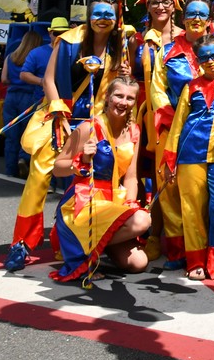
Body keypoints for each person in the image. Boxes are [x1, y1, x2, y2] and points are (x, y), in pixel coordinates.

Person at [5, 0, 129, 271]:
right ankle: (22, 244)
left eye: (109, 13)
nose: (103, 18)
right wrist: (59, 109)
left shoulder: (120, 46)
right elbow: (49, 78)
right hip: (61, 117)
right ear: (88, 16)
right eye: (98, 13)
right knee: (39, 177)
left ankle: (76, 240)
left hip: (96, 123)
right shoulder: (68, 41)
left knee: (90, 182)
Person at [49, 75, 150, 282]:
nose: (123, 102)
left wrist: (130, 204)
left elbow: (131, 177)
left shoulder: (134, 131)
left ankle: (94, 247)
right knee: (142, 221)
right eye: (118, 96)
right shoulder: (88, 128)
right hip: (83, 205)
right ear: (107, 96)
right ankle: (80, 252)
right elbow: (57, 168)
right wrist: (81, 161)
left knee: (138, 263)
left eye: (130, 98)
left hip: (113, 204)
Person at [163, 34, 214, 280]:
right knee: (192, 209)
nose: (211, 61)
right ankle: (195, 262)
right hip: (190, 153)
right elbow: (178, 124)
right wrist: (170, 158)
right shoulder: (190, 86)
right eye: (204, 58)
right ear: (197, 61)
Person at [133, 0, 183, 260]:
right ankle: (142, 231)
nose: (161, 7)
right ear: (148, 7)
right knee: (140, 173)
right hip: (143, 111)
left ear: (174, 5)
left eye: (166, 2)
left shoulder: (187, 37)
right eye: (155, 2)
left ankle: (165, 234)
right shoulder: (138, 39)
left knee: (167, 175)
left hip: (177, 113)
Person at [0, 28, 44, 178]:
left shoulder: (10, 57)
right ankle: (23, 158)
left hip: (11, 96)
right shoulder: (35, 57)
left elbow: (4, 79)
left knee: (11, 135)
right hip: (29, 97)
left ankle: (10, 170)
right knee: (28, 133)